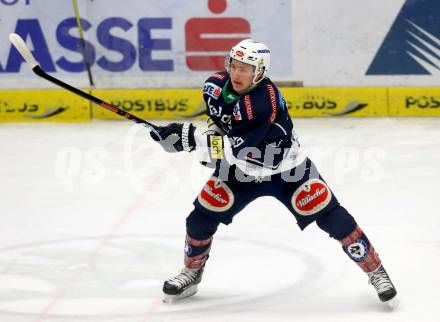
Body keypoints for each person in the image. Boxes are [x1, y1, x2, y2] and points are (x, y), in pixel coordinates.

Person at [149, 39, 397, 304]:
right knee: (199, 220)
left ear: (260, 72)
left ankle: (376, 271)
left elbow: (237, 149)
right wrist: (184, 137)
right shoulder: (214, 86)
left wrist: (191, 138)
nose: (236, 74)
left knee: (335, 220)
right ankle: (192, 271)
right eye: (233, 66)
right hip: (240, 171)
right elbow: (221, 124)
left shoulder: (261, 103)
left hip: (287, 170)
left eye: (245, 69)